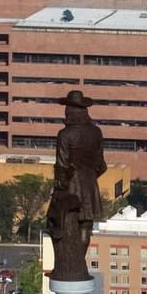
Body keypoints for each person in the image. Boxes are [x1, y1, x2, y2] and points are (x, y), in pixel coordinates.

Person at [48, 89, 106, 281]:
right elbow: (101, 165)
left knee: (62, 226)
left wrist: (61, 187)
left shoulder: (65, 134)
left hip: (71, 186)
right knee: (85, 228)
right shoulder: (96, 132)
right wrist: (89, 176)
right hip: (90, 185)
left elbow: (62, 165)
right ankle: (78, 264)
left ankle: (70, 265)